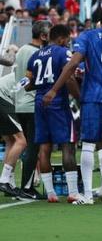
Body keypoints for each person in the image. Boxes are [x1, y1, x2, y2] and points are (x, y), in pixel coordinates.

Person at [46, 7, 102, 205]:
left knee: (88, 145)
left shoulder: (86, 37)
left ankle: (87, 195)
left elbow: (72, 65)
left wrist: (53, 89)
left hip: (92, 97)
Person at [24, 24, 81, 203]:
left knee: (44, 146)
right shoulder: (63, 52)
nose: (68, 43)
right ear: (62, 38)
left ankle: (50, 194)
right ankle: (73, 192)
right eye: (68, 40)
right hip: (57, 102)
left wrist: (43, 82)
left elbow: (27, 84)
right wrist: (80, 98)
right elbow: (69, 77)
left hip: (40, 102)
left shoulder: (35, 55)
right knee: (67, 145)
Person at [13, 20, 50, 200]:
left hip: (19, 103)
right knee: (33, 148)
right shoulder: (38, 53)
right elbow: (36, 80)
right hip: (31, 103)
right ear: (43, 35)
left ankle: (20, 185)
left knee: (27, 147)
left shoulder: (21, 50)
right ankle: (26, 188)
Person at [0, 73, 28, 197]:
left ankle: (9, 183)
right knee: (22, 141)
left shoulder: (26, 71)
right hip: (2, 97)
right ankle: (4, 180)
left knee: (11, 141)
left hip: (4, 96)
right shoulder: (30, 74)